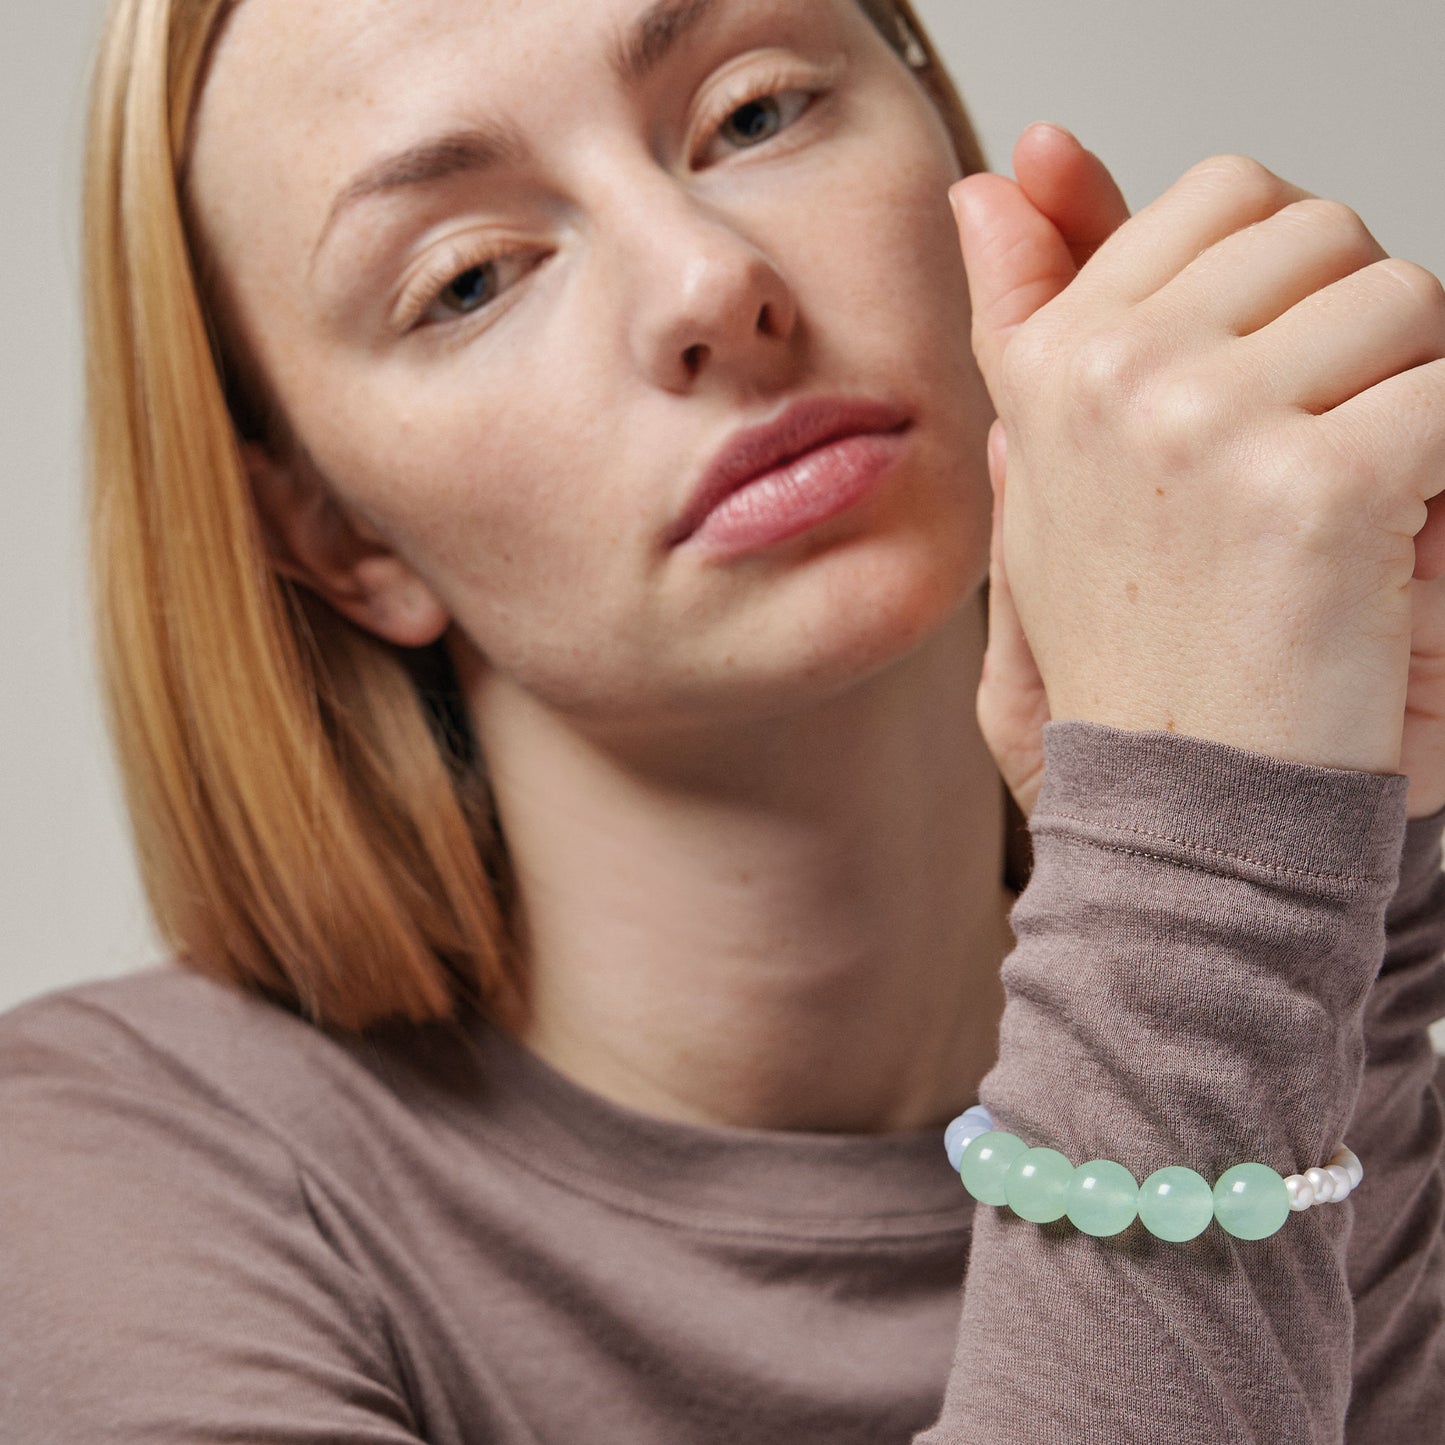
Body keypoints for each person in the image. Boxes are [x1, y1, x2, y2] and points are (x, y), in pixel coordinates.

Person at [2, 0, 1442, 1439]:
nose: (707, 278)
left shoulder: (1340, 1028)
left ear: (942, 138)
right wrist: (1201, 860)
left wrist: (1333, 856)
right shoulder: (92, 1186)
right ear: (328, 530)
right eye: (470, 278)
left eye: (755, 114)